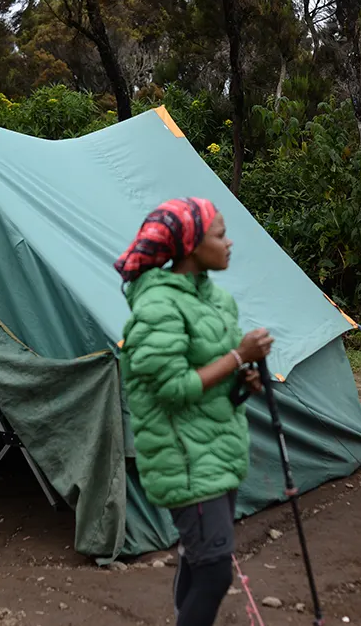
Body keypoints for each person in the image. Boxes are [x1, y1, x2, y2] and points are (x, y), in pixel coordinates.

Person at [115, 197, 274, 626]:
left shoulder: (217, 300)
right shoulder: (157, 307)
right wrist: (238, 357)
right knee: (214, 573)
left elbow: (211, 373)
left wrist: (242, 380)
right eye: (220, 235)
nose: (229, 243)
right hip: (183, 458)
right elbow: (171, 389)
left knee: (196, 558)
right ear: (190, 246)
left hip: (218, 447)